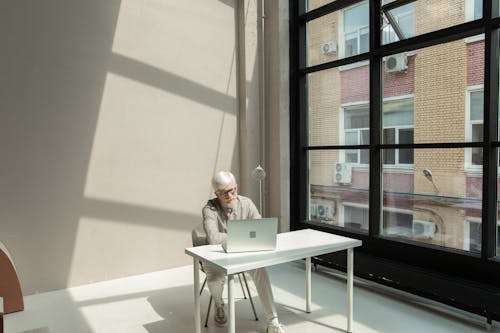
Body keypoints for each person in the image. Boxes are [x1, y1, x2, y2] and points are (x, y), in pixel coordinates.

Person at [202, 171, 285, 333]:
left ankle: (272, 321)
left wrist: (236, 238)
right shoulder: (209, 209)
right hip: (216, 255)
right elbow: (213, 238)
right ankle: (219, 304)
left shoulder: (247, 203)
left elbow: (260, 228)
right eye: (224, 193)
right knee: (214, 277)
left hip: (244, 253)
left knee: (260, 269)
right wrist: (242, 235)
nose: (230, 195)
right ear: (216, 193)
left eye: (233, 190)